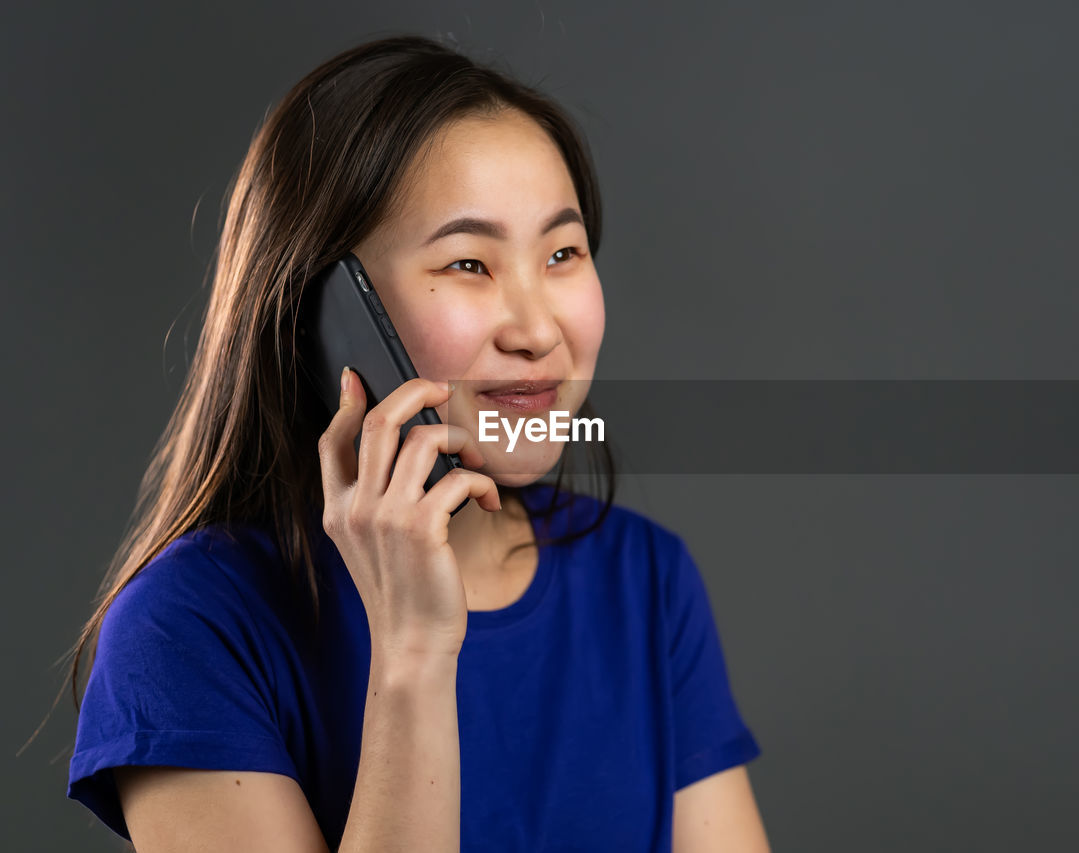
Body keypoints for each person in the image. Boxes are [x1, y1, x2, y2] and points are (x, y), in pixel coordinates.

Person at [63, 34, 769, 852]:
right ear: (330, 316)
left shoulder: (646, 582)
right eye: (469, 263)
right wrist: (415, 651)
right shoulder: (188, 628)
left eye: (563, 253)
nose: (539, 330)